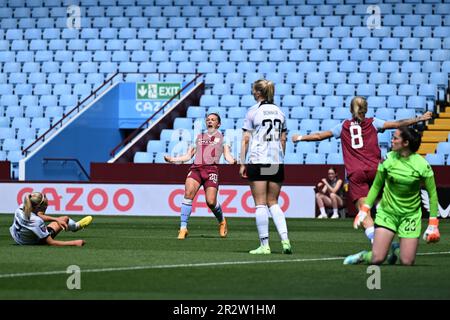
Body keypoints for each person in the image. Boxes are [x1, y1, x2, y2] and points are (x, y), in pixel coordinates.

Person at [292, 96, 432, 243]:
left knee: (364, 213)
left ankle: (376, 241)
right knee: (390, 202)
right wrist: (419, 118)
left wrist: (300, 137)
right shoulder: (373, 123)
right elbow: (397, 124)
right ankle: (399, 228)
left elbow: (320, 136)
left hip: (356, 173)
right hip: (376, 170)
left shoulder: (343, 126)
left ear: (350, 110)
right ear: (366, 109)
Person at [343, 127, 440, 266]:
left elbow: (433, 195)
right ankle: (363, 256)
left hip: (410, 216)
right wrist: (364, 210)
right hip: (388, 213)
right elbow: (376, 186)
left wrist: (433, 224)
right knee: (377, 259)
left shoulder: (423, 165)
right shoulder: (387, 159)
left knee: (407, 261)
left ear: (405, 143)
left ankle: (396, 250)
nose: (392, 141)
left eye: (395, 138)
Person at [240, 79, 292, 255]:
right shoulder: (280, 112)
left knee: (260, 203)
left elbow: (246, 138)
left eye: (254, 90)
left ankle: (265, 245)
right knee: (274, 202)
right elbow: (283, 139)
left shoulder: (253, 111)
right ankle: (285, 241)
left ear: (258, 93)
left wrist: (242, 162)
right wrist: (280, 157)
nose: (253, 93)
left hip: (258, 159)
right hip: (276, 160)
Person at [164, 113, 237, 240]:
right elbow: (188, 156)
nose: (210, 121)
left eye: (213, 120)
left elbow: (227, 155)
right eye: (208, 119)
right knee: (188, 194)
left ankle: (222, 221)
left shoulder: (224, 138)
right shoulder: (198, 137)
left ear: (218, 124)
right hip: (196, 169)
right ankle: (183, 228)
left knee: (211, 202)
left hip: (211, 170)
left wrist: (232, 160)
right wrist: (173, 159)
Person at [10, 191, 93, 246]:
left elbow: (37, 216)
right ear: (38, 207)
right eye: (45, 205)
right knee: (65, 218)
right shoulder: (36, 221)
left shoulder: (22, 207)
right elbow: (51, 242)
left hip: (17, 238)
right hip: (30, 242)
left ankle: (75, 226)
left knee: (60, 220)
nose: (47, 207)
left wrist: (56, 219)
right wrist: (74, 243)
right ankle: (76, 226)